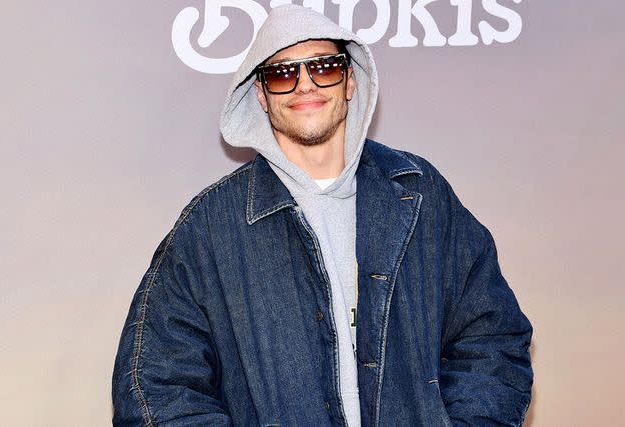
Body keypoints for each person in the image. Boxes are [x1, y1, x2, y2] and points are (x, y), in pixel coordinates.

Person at [112, 5, 533, 426]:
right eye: (282, 74)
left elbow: (492, 338)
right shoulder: (209, 229)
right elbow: (154, 386)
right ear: (261, 94)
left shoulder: (421, 195)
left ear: (350, 80)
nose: (304, 85)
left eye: (324, 66)